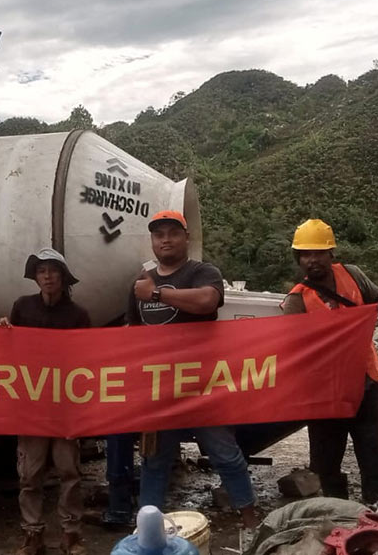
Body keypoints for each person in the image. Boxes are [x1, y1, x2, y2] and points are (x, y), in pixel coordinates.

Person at [129, 210, 263, 528]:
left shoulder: (203, 272)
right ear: (152, 241)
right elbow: (130, 334)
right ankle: (147, 530)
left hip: (204, 386)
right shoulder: (138, 285)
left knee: (225, 454)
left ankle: (251, 522)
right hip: (160, 388)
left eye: (172, 233)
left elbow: (207, 301)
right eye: (158, 234)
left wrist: (159, 293)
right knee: (154, 460)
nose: (165, 239)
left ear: (186, 238)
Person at [282, 218, 378, 504]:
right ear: (298, 259)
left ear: (330, 253)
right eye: (305, 255)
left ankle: (376, 506)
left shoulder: (353, 275)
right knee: (326, 458)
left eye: (318, 253)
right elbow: (293, 347)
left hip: (365, 382)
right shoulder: (296, 301)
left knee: (374, 453)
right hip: (324, 390)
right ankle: (339, 509)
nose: (312, 260)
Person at [0, 248, 91, 555]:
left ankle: (71, 534)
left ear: (63, 277)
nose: (47, 276)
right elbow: (9, 351)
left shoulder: (78, 315)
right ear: (35, 277)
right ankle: (32, 535)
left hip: (64, 409)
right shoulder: (22, 308)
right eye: (41, 271)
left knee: (69, 473)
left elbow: (89, 360)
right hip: (32, 408)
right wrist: (3, 330)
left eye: (52, 271)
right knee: (29, 475)